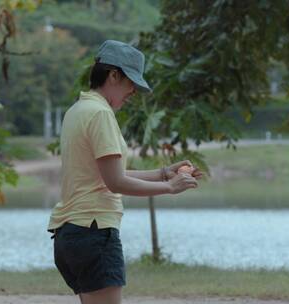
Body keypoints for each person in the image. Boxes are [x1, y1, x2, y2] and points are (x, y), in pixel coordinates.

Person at [48, 40, 202, 304]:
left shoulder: (78, 110)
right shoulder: (101, 114)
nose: (133, 92)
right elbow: (116, 182)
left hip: (70, 235)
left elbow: (108, 174)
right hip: (94, 232)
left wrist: (164, 173)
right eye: (131, 82)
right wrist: (170, 188)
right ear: (113, 75)